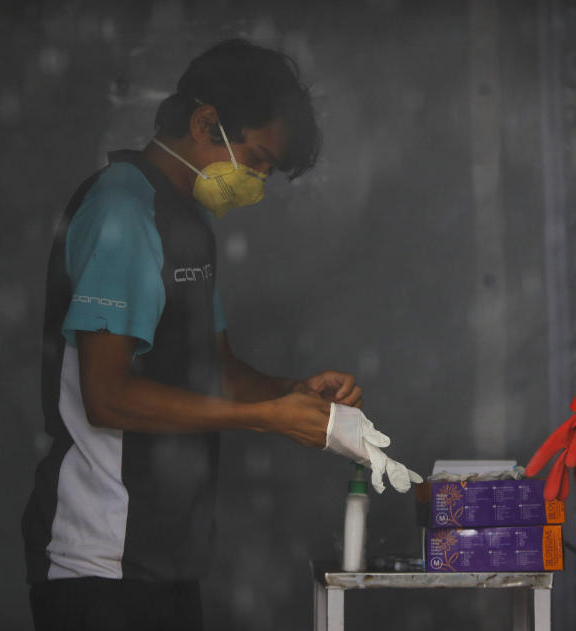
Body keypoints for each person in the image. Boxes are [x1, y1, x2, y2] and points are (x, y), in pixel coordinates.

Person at [21, 40, 364, 631]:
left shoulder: (186, 220)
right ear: (206, 123)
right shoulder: (123, 213)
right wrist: (265, 418)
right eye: (254, 159)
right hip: (100, 560)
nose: (254, 182)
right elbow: (107, 398)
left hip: (166, 555)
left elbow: (218, 366)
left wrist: (291, 394)